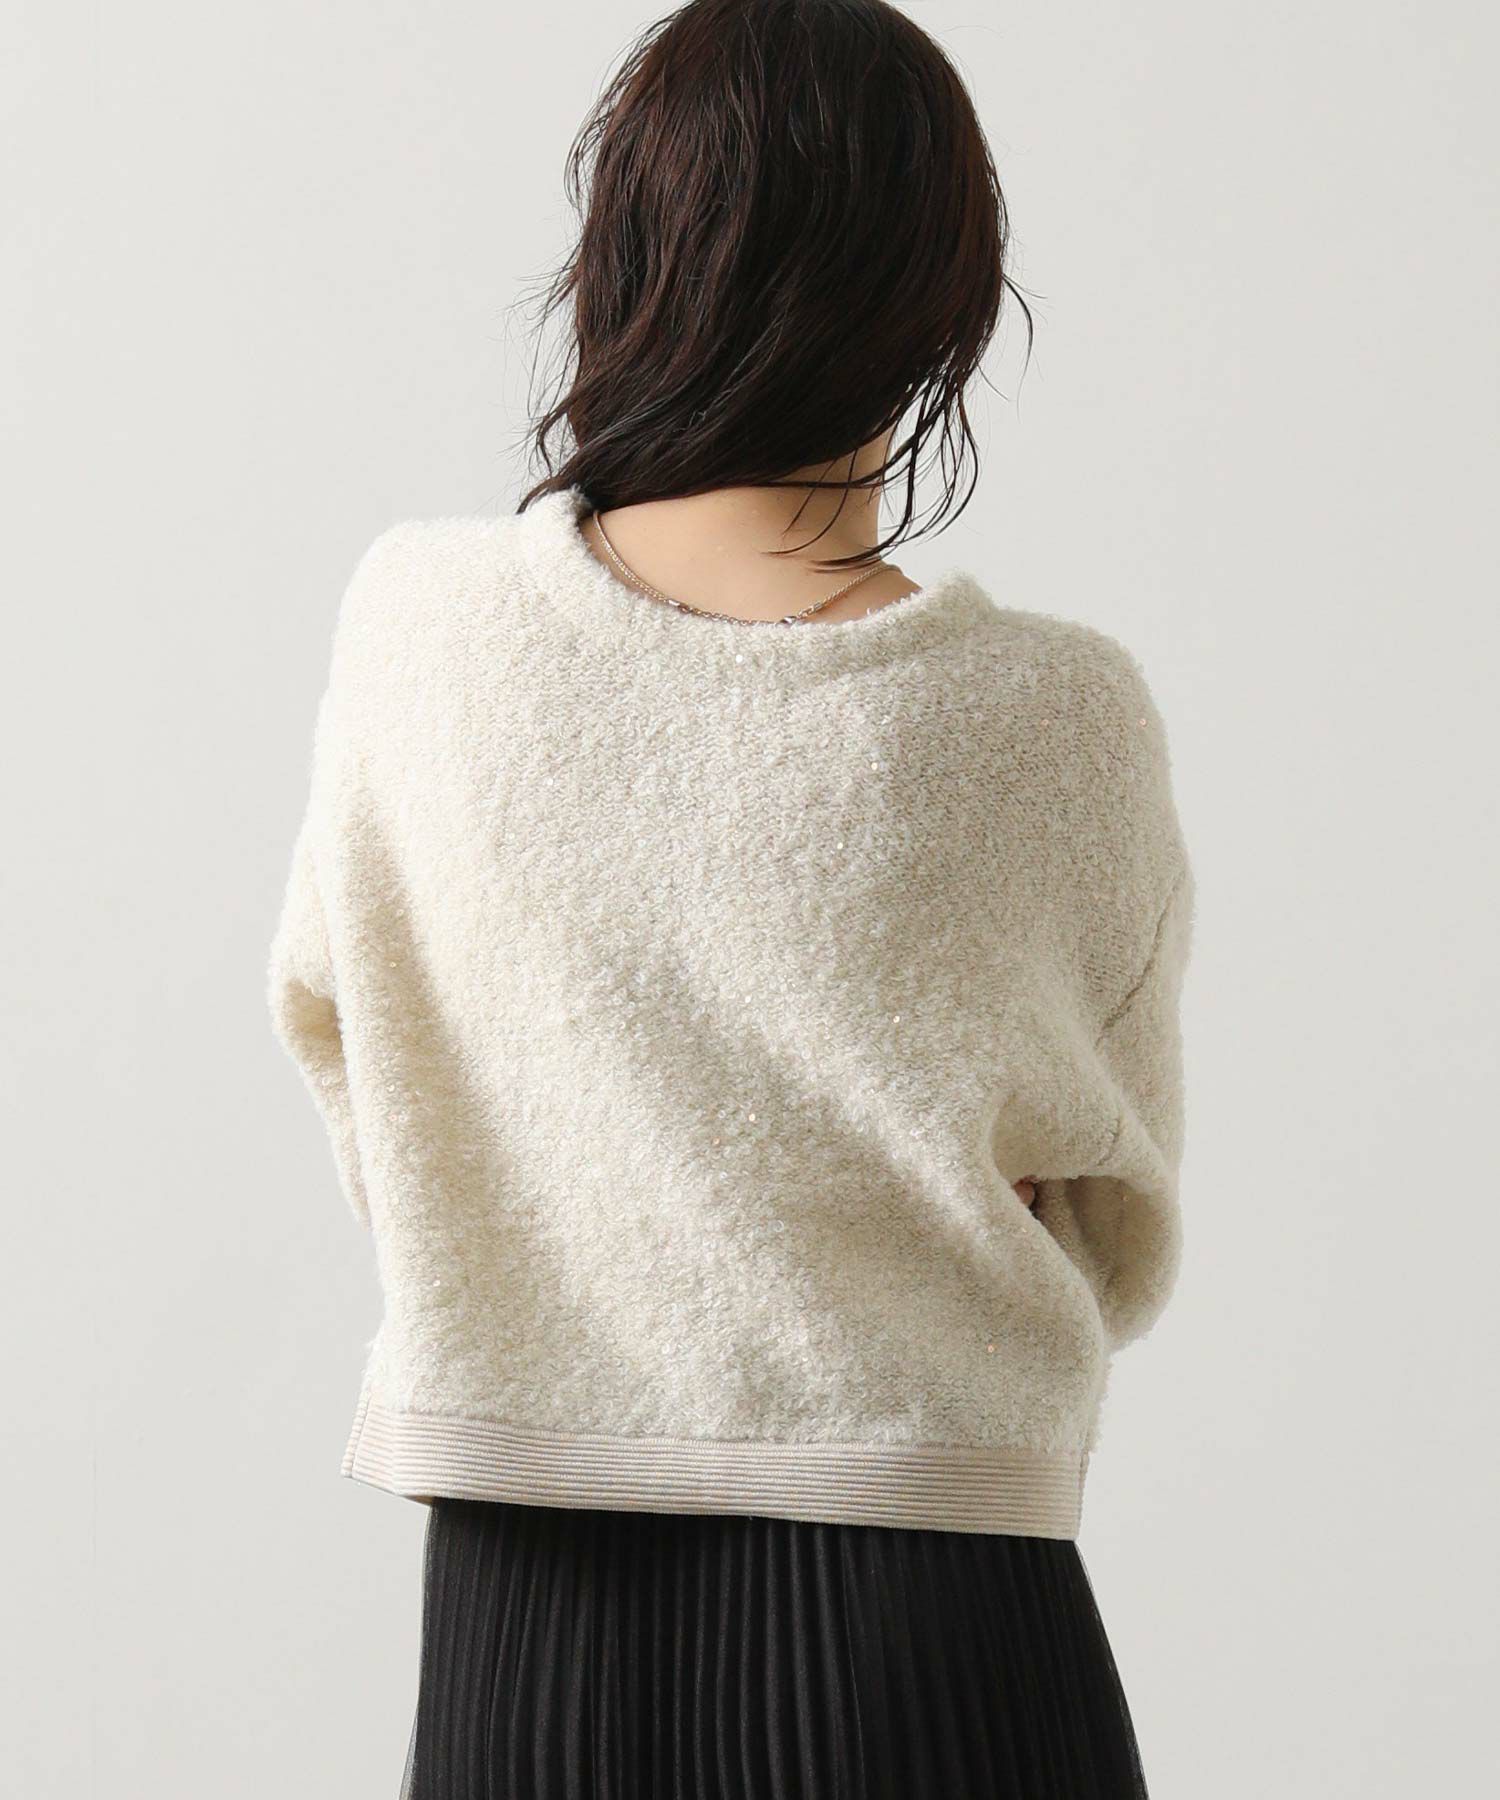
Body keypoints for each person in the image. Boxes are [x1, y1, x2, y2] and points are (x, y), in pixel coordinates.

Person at [266, 2, 1195, 1794]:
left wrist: (558, 1211)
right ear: (942, 295)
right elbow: (1111, 1210)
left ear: (626, 249)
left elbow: (351, 1047)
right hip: (940, 1597)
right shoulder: (1059, 715)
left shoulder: (419, 629)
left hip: (525, 1612)